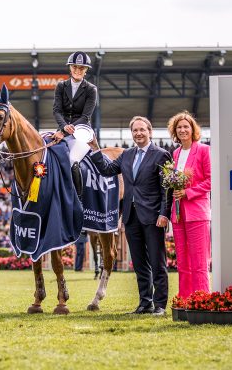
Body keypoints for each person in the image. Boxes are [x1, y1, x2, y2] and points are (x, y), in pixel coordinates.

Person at [88, 116, 172, 316]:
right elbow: (107, 170)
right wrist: (95, 149)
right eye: (135, 130)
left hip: (153, 217)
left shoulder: (161, 155)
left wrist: (164, 214)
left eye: (142, 130)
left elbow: (166, 189)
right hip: (130, 217)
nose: (138, 133)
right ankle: (145, 304)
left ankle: (160, 305)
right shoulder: (126, 155)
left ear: (149, 132)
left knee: (157, 262)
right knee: (140, 263)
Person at [167, 111, 211, 298]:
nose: (183, 130)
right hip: (178, 214)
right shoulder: (175, 153)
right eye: (179, 127)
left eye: (186, 126)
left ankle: (201, 299)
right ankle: (185, 299)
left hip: (197, 212)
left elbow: (211, 180)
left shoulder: (204, 150)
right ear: (175, 132)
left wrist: (188, 192)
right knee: (183, 261)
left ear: (193, 130)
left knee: (199, 261)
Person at [52, 51, 98, 198]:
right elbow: (57, 110)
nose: (78, 70)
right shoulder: (61, 86)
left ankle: (78, 200)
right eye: (75, 67)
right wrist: (63, 127)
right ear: (70, 68)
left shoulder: (91, 89)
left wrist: (65, 132)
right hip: (62, 127)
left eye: (81, 68)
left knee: (72, 160)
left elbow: (85, 117)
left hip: (82, 131)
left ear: (86, 70)